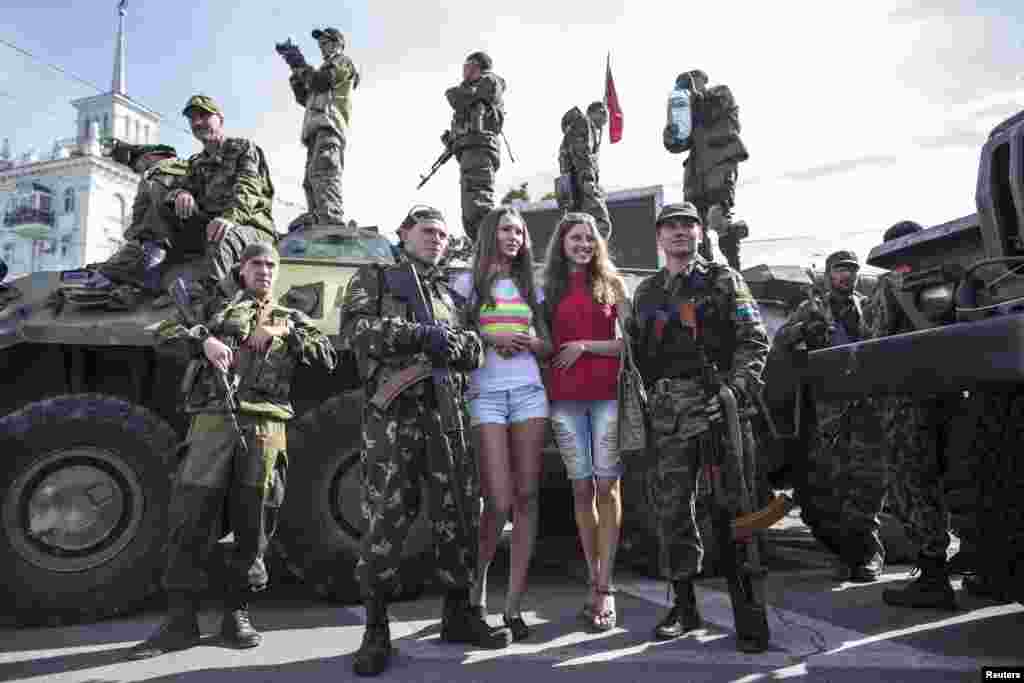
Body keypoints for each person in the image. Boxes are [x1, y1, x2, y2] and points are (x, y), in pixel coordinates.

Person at [130, 243, 337, 659]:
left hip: (265, 424)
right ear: (242, 270)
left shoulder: (290, 317)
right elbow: (163, 334)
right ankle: (181, 619)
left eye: (271, 265)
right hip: (213, 419)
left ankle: (237, 612)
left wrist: (280, 332)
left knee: (254, 520)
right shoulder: (211, 307)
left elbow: (326, 356)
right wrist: (204, 340)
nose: (264, 270)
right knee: (191, 516)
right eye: (256, 264)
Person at [341, 206, 511, 677]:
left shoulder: (448, 293)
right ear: (404, 234)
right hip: (395, 418)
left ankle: (458, 613)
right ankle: (376, 629)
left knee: (456, 513)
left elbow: (475, 345)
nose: (436, 239)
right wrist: (420, 335)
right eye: (427, 231)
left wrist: (462, 347)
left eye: (442, 233)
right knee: (387, 520)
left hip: (447, 416)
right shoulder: (377, 280)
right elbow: (354, 331)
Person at [630, 202, 769, 651]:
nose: (680, 233)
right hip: (668, 414)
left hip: (717, 410)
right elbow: (638, 357)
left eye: (688, 225)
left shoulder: (722, 280)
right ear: (659, 236)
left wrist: (733, 392)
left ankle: (747, 610)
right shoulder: (647, 291)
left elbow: (754, 340)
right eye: (671, 226)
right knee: (671, 512)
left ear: (698, 233)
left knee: (734, 511)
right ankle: (685, 607)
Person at [452, 205, 551, 642]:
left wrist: (532, 342)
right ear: (492, 233)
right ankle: (475, 598)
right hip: (485, 395)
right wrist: (489, 337)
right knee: (496, 499)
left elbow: (549, 345)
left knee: (527, 497)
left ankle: (513, 606)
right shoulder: (467, 283)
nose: (514, 237)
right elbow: (452, 339)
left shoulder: (533, 284)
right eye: (507, 230)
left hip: (529, 393)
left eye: (520, 231)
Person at [774, 249, 887, 582]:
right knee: (827, 488)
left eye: (851, 270)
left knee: (866, 483)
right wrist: (800, 331)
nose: (846, 276)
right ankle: (847, 552)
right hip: (825, 412)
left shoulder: (868, 306)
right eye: (840, 270)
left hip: (865, 406)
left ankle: (867, 554)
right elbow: (781, 343)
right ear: (828, 274)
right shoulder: (810, 308)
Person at [541, 211, 626, 631]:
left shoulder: (612, 284)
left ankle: (605, 588)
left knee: (608, 485)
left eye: (590, 239)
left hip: (607, 398)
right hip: (565, 401)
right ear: (562, 243)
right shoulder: (549, 289)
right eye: (576, 238)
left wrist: (585, 346)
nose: (584, 245)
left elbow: (628, 346)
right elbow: (544, 345)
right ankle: (593, 577)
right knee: (581, 488)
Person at [168, 95, 277, 291]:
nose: (197, 122)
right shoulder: (197, 162)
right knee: (166, 212)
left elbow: (248, 190)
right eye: (192, 118)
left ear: (220, 119)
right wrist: (181, 194)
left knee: (221, 236)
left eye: (204, 115)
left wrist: (229, 218)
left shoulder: (243, 149)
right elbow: (183, 186)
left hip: (250, 226)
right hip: (212, 226)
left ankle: (213, 303)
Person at [663, 70, 748, 270]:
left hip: (719, 163)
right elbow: (677, 145)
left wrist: (692, 96)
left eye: (694, 81)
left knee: (717, 217)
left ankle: (736, 269)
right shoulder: (691, 108)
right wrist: (672, 132)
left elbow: (710, 111)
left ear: (703, 80)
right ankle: (705, 272)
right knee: (696, 227)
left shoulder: (720, 94)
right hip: (695, 173)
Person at [94, 143, 187, 305]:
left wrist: (140, 239)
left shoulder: (161, 173)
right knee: (107, 271)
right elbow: (140, 216)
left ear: (149, 158)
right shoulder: (163, 175)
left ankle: (148, 282)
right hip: (159, 242)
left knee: (112, 272)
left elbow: (154, 218)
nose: (139, 173)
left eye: (138, 167)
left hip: (165, 243)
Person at [285, 27, 359, 230]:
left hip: (330, 126)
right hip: (315, 130)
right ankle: (317, 218)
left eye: (326, 42)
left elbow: (320, 82)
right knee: (310, 179)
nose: (322, 47)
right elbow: (305, 97)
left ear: (338, 43)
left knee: (323, 172)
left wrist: (298, 61)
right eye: (321, 44)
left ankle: (330, 220)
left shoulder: (343, 62)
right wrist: (297, 74)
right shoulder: (325, 67)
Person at [445, 51, 506, 242]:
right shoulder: (475, 88)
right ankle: (483, 251)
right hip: (471, 151)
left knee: (479, 206)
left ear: (479, 67)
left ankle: (492, 252)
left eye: (469, 66)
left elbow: (457, 97)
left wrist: (457, 91)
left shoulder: (489, 81)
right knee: (470, 213)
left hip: (479, 150)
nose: (464, 71)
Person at [558, 103, 612, 239]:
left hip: (570, 186)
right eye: (605, 115)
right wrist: (589, 183)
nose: (605, 122)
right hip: (581, 181)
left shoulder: (574, 128)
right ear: (598, 112)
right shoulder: (584, 123)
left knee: (575, 226)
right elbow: (582, 156)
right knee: (602, 225)